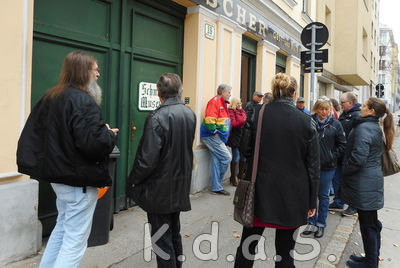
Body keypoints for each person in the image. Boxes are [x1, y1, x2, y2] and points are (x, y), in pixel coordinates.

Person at [17, 51, 118, 268]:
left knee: (61, 229)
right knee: (74, 241)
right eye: (95, 69)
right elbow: (93, 145)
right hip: (77, 182)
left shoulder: (51, 96)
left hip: (59, 179)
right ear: (84, 72)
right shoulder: (83, 101)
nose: (98, 74)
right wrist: (108, 134)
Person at [234, 73, 320, 268]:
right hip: (292, 194)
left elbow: (245, 149)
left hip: (259, 191)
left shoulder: (258, 113)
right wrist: (312, 199)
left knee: (247, 247)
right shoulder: (306, 121)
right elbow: (314, 166)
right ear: (294, 93)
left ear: (274, 91)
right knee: (285, 253)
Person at [127, 73, 196, 268]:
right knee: (174, 233)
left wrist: (132, 181)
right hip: (179, 183)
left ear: (159, 92)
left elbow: (146, 159)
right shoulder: (189, 114)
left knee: (161, 240)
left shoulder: (157, 117)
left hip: (160, 189)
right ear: (179, 91)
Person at [340, 97, 394, 268]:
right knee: (371, 223)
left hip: (365, 184)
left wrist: (345, 169)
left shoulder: (364, 128)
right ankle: (370, 258)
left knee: (368, 225)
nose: (361, 107)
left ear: (371, 111)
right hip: (369, 182)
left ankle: (370, 263)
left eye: (364, 105)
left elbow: (358, 159)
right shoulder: (372, 126)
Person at [302, 97, 346, 238]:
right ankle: (311, 222)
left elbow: (342, 144)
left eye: (327, 109)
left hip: (328, 166)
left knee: (323, 195)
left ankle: (321, 224)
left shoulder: (336, 124)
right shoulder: (309, 122)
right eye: (321, 109)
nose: (324, 112)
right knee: (311, 194)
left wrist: (332, 156)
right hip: (310, 165)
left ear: (330, 110)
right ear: (316, 109)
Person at [329, 92, 361, 216]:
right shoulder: (346, 114)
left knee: (350, 181)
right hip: (340, 154)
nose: (340, 104)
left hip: (349, 155)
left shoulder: (357, 116)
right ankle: (338, 201)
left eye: (342, 102)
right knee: (338, 180)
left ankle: (353, 206)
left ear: (350, 103)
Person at [200, 84, 232, 195]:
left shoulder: (222, 102)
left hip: (217, 137)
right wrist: (214, 133)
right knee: (227, 157)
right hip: (212, 136)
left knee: (216, 160)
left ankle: (216, 187)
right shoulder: (215, 101)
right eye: (228, 92)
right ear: (222, 92)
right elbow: (209, 119)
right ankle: (217, 183)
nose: (230, 94)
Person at [226, 97, 247, 186]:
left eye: (241, 103)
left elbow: (245, 121)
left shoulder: (242, 111)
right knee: (235, 157)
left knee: (243, 157)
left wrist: (243, 120)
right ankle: (233, 177)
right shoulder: (231, 111)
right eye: (238, 103)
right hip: (235, 137)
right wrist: (243, 120)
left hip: (243, 137)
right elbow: (234, 124)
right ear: (234, 104)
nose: (240, 105)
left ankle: (240, 175)